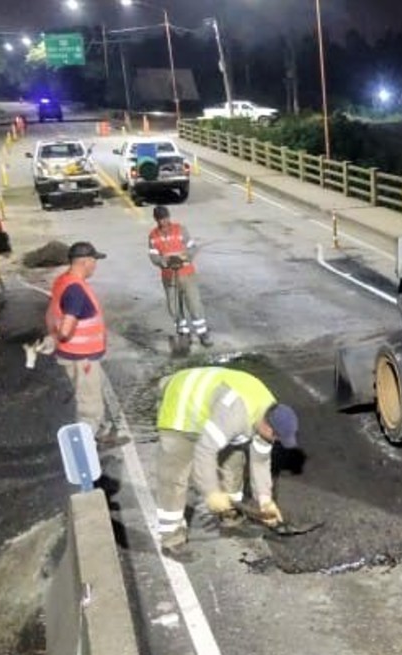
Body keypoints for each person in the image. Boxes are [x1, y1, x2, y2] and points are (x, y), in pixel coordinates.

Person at [153, 367, 300, 555]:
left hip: (219, 412)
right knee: (175, 478)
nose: (276, 441)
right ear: (267, 426)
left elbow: (260, 461)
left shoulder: (270, 413)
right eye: (276, 437)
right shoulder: (236, 413)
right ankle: (171, 538)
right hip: (183, 407)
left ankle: (230, 516)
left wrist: (265, 499)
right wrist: (212, 493)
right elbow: (205, 451)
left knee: (234, 462)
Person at [47, 241, 122, 447]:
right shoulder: (75, 291)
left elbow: (51, 313)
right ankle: (83, 452)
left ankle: (101, 433)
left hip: (73, 354)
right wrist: (61, 336)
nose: (95, 265)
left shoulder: (63, 281)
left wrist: (54, 337)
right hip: (82, 359)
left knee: (91, 397)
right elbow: (66, 328)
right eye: (94, 261)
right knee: (90, 406)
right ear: (85, 262)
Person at [148, 205, 213, 347]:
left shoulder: (180, 230)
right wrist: (163, 262)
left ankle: (202, 333)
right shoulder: (153, 236)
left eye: (165, 218)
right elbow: (153, 256)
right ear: (156, 219)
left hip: (186, 273)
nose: (163, 222)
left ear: (169, 217)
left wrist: (185, 259)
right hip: (168, 275)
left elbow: (192, 247)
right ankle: (183, 332)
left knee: (194, 304)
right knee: (174, 306)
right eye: (160, 219)